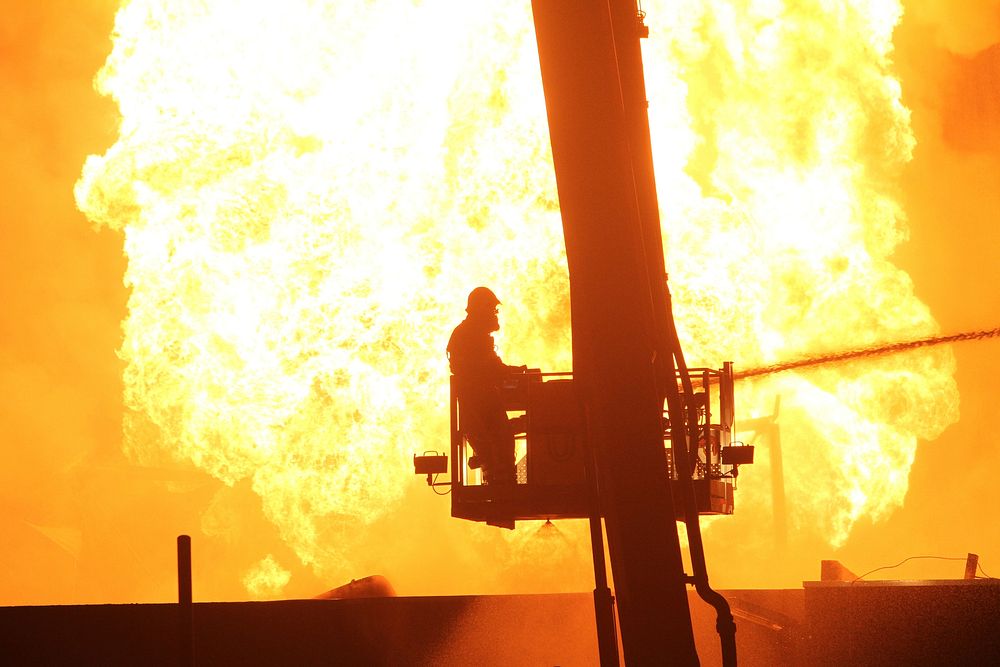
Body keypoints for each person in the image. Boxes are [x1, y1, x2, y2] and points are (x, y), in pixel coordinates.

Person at [447, 287, 527, 486]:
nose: (494, 314)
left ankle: (499, 486)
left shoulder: (470, 333)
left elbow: (489, 366)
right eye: (491, 309)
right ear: (480, 309)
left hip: (480, 402)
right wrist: (512, 372)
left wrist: (510, 370)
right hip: (480, 403)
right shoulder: (471, 335)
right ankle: (502, 490)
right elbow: (488, 367)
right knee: (500, 445)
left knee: (500, 444)